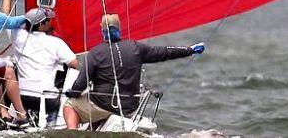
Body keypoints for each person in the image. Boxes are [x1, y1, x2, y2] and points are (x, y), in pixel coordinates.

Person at [67, 13, 203, 128]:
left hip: (104, 105)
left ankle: (72, 134)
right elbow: (164, 52)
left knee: (70, 106)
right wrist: (190, 50)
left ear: (102, 30)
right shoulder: (136, 48)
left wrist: (72, 93)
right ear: (119, 28)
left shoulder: (95, 53)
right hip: (129, 107)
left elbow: (80, 84)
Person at [11, 5, 80, 129]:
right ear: (41, 25)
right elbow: (74, 63)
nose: (50, 23)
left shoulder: (18, 36)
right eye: (48, 20)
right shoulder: (55, 43)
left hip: (22, 97)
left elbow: (6, 16)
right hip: (47, 100)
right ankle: (52, 126)